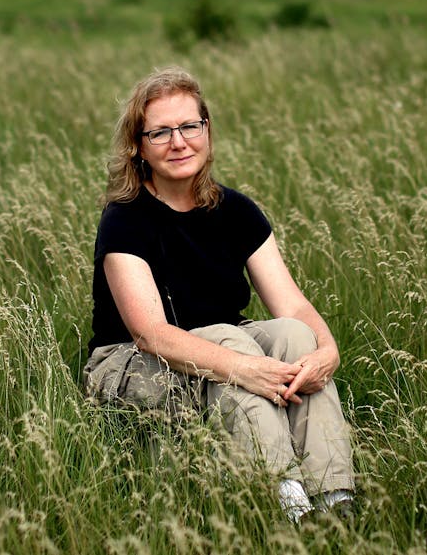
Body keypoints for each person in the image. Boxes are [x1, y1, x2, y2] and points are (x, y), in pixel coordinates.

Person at [82, 66, 355, 522]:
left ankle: (334, 501)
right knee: (229, 343)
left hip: (225, 345)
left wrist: (327, 351)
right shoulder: (125, 219)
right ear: (139, 147)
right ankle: (284, 500)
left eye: (190, 126)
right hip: (129, 363)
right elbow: (150, 334)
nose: (179, 142)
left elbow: (293, 306)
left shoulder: (237, 211)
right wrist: (246, 368)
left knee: (294, 336)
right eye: (161, 132)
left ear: (207, 130)